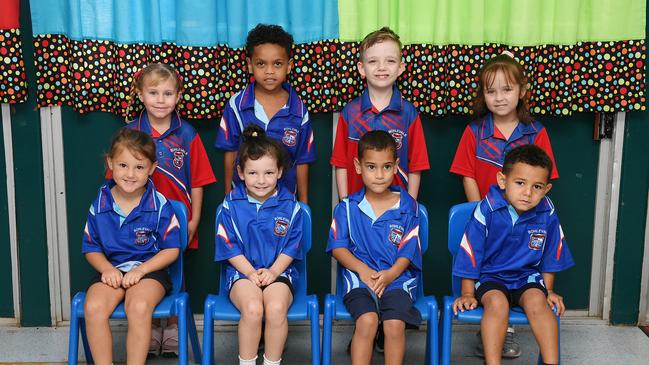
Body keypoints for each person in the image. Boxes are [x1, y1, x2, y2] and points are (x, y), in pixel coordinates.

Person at [449, 52, 560, 357]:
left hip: (524, 225)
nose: (499, 98)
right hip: (490, 221)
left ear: (523, 91)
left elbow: (544, 177)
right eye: (491, 91)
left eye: (507, 90)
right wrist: (484, 211)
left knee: (524, 278)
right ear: (482, 95)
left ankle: (507, 332)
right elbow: (467, 175)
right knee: (494, 284)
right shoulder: (474, 131)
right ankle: (492, 331)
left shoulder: (536, 132)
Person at [116, 62, 216, 356]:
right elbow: (113, 185)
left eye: (168, 93)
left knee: (173, 272)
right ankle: (146, 327)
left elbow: (198, 180)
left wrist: (195, 219)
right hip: (137, 223)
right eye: (154, 92)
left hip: (176, 222)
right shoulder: (129, 133)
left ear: (179, 96)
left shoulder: (187, 134)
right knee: (139, 271)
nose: (161, 100)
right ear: (140, 94)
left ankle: (171, 327)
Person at [452, 144, 575, 365]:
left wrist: (548, 290)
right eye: (520, 183)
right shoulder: (487, 209)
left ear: (546, 189)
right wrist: (468, 292)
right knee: (498, 303)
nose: (528, 193)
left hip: (526, 277)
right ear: (503, 181)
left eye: (537, 186)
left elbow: (551, 253)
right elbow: (470, 252)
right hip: (491, 277)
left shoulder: (547, 211)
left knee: (539, 302)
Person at [82, 128, 181, 365]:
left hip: (150, 272)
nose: (130, 174)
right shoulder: (100, 203)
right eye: (123, 165)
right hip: (113, 269)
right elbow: (91, 247)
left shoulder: (159, 204)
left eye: (139, 167)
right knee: (93, 306)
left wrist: (141, 270)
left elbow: (171, 250)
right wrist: (106, 269)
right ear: (110, 163)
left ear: (152, 169)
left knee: (137, 306)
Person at [327, 130, 423, 365]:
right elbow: (338, 248)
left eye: (387, 167)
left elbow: (408, 251)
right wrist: (361, 269)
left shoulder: (408, 206)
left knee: (393, 324)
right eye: (371, 167)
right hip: (360, 279)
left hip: (397, 279)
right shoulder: (347, 207)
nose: (379, 175)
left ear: (396, 166)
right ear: (358, 166)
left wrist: (390, 275)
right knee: (368, 321)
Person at [215, 125, 305, 365]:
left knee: (275, 308)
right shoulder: (230, 205)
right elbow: (229, 246)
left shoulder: (291, 206)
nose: (261, 180)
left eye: (268, 172)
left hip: (280, 272)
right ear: (241, 173)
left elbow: (291, 248)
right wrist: (250, 273)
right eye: (253, 173)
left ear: (280, 171)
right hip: (242, 274)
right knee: (253, 308)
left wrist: (274, 272)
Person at [215, 24, 316, 203]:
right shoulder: (236, 106)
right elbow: (230, 153)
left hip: (284, 205)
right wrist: (228, 198)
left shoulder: (299, 111)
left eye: (277, 64)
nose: (269, 71)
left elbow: (302, 161)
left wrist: (304, 204)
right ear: (250, 65)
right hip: (242, 203)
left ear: (289, 66)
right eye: (261, 64)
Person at [331, 27, 430, 201]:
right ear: (361, 68)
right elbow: (341, 164)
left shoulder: (408, 113)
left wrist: (411, 204)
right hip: (357, 207)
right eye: (373, 61)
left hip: (398, 208)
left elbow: (416, 165)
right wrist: (345, 203)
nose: (381, 67)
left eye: (390, 61)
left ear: (400, 68)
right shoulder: (350, 112)